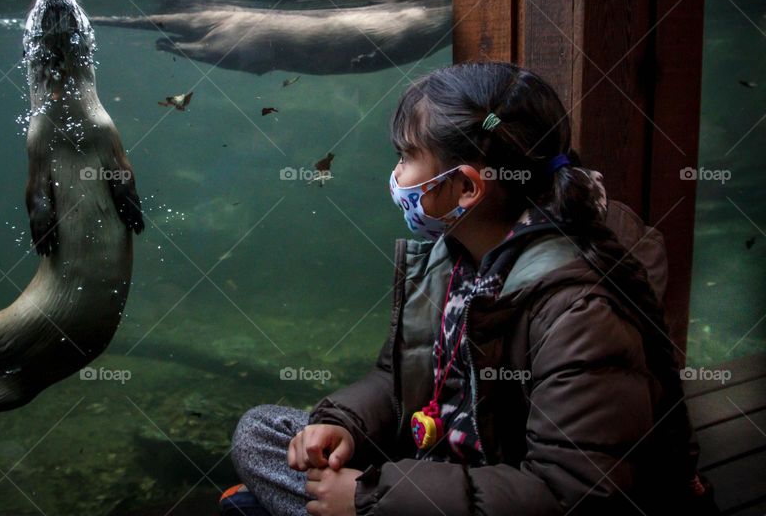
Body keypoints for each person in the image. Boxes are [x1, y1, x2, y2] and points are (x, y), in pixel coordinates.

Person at [220, 62, 716, 516]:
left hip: (526, 499)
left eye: (407, 156)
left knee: (255, 504)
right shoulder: (457, 254)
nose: (396, 174)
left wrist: (371, 500)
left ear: (467, 188)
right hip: (454, 470)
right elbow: (400, 380)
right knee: (262, 433)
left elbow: (575, 493)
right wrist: (342, 425)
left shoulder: (578, 311)